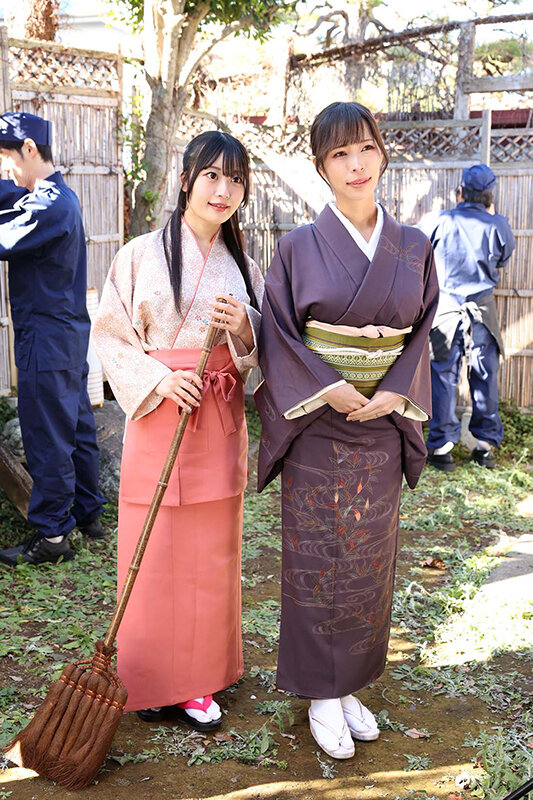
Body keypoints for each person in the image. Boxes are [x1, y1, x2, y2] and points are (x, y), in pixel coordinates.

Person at [255, 101, 438, 759]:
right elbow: (278, 333)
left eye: (364, 149)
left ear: (381, 154)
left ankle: (349, 682)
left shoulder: (413, 246)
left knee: (367, 561)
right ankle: (320, 693)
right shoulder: (295, 248)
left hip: (382, 424)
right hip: (318, 425)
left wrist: (395, 390)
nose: (355, 164)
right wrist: (325, 385)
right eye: (339, 154)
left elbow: (421, 331)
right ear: (320, 167)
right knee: (316, 560)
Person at [92, 131, 264, 730]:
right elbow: (111, 335)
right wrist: (160, 380)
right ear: (186, 179)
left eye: (236, 180)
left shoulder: (243, 266)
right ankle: (146, 677)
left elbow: (264, 345)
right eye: (212, 175)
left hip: (216, 417)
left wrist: (245, 326)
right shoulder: (139, 255)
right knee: (154, 545)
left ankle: (198, 678)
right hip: (159, 412)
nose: (224, 190)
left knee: (210, 552)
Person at [0, 112, 106, 567]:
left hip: (45, 338)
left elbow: (3, 237)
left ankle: (53, 535)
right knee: (76, 427)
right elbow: (11, 199)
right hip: (65, 335)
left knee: (48, 436)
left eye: (5, 157)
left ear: (29, 149)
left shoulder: (47, 206)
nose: (4, 169)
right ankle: (89, 513)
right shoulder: (58, 197)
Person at [424, 164, 515, 471]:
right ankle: (484, 447)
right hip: (482, 312)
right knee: (485, 373)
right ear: (490, 196)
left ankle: (441, 449)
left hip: (445, 310)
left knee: (443, 375)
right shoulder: (498, 224)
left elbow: (419, 254)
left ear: (460, 191)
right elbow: (503, 259)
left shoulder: (440, 220)